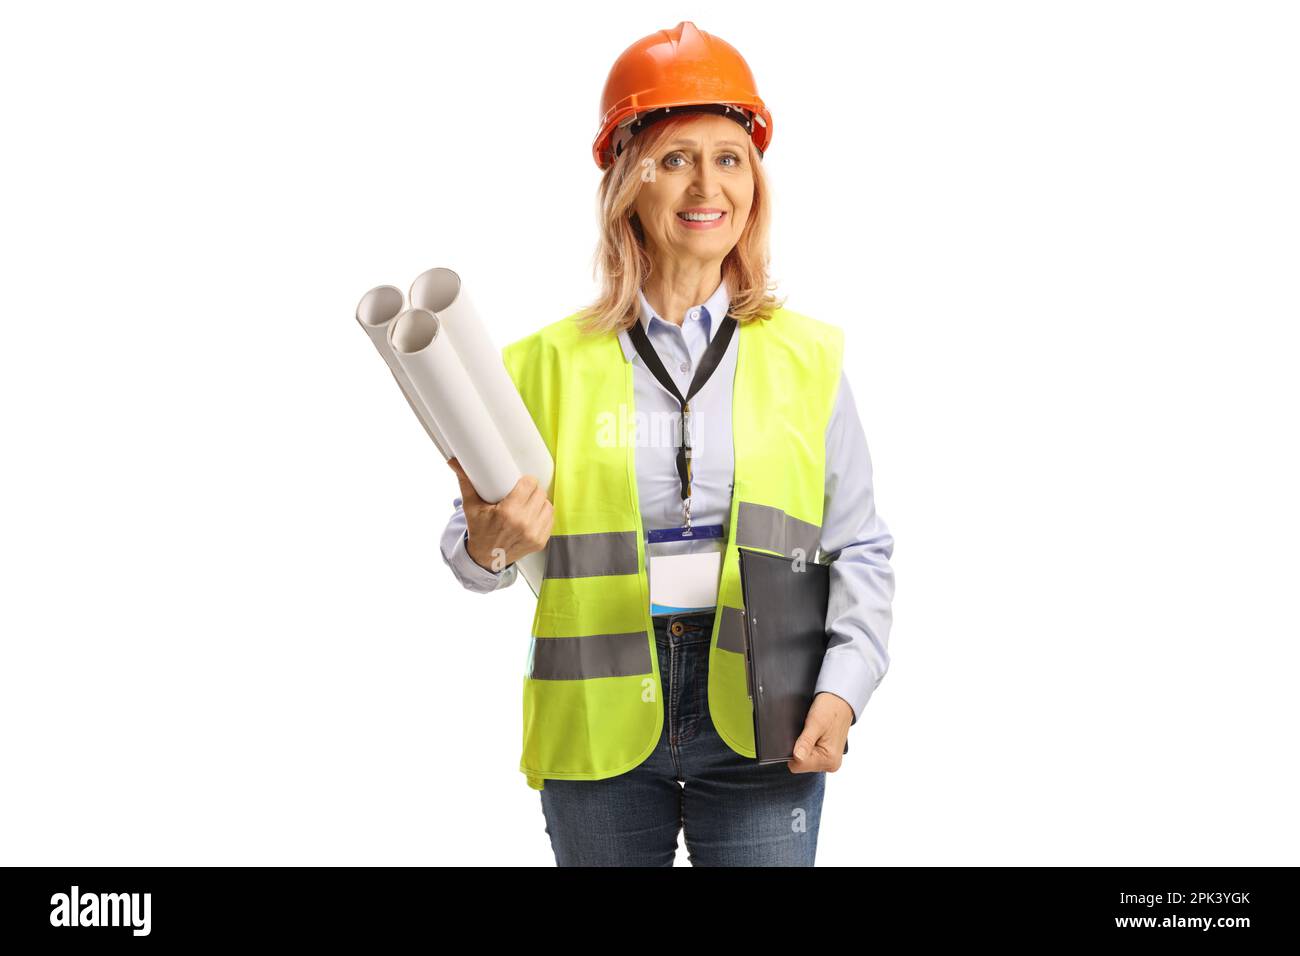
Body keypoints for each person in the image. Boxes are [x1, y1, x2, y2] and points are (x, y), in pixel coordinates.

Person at [439, 21, 895, 866]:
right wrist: (488, 546)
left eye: (730, 157)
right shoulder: (538, 365)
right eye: (675, 157)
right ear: (627, 182)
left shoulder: (810, 359)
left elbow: (860, 544)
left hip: (769, 709)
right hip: (599, 723)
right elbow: (471, 556)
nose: (706, 184)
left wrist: (844, 689)